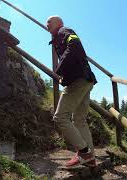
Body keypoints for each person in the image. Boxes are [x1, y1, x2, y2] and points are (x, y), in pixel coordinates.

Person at [47, 15, 98, 168]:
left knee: (60, 117)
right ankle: (90, 158)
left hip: (78, 80)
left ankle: (84, 153)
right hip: (86, 80)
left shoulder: (64, 31)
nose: (46, 24)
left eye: (49, 21)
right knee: (79, 120)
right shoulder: (59, 36)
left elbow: (74, 44)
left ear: (59, 23)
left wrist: (59, 70)